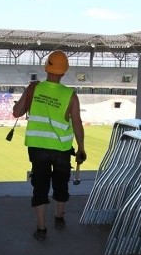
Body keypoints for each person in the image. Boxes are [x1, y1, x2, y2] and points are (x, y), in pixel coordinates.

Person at [12, 50, 87, 241]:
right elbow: (77, 123)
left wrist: (28, 96)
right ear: (64, 71)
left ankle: (41, 230)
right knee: (61, 184)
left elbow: (16, 112)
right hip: (62, 149)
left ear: (47, 67)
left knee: (40, 187)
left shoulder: (33, 88)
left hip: (37, 148)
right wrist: (81, 148)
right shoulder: (71, 95)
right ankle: (59, 218)